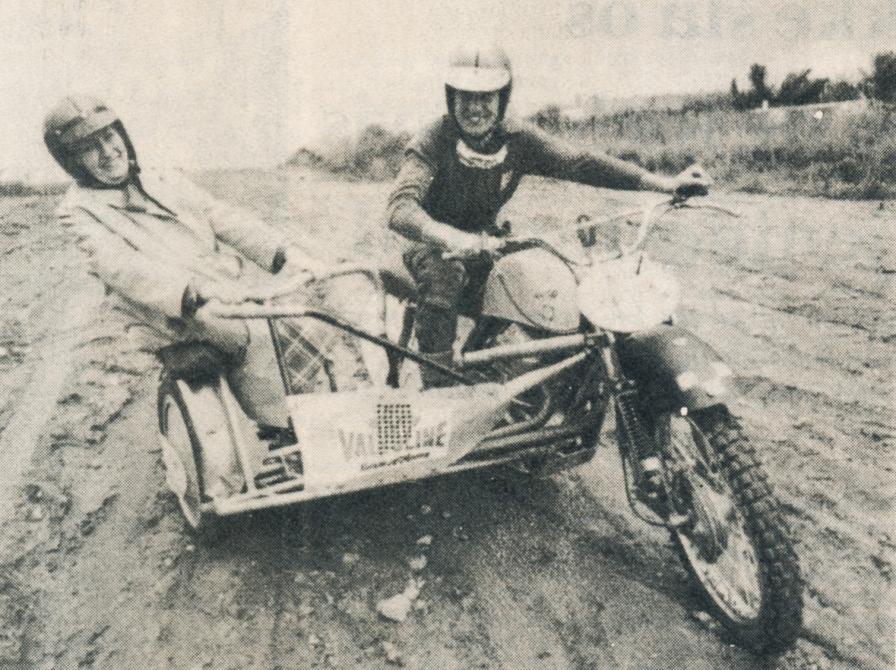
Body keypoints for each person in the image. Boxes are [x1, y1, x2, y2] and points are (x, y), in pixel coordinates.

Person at [387, 45, 711, 387]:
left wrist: (663, 184)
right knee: (444, 274)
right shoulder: (434, 140)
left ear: (503, 97)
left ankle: (550, 382)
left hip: (486, 238)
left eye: (486, 96)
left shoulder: (517, 139)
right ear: (450, 97)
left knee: (546, 282)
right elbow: (400, 207)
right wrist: (451, 237)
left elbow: (579, 162)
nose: (475, 108)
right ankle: (439, 389)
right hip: (429, 242)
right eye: (465, 96)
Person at [44, 95, 327, 429]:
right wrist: (197, 290)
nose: (107, 152)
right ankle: (289, 429)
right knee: (255, 331)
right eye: (90, 148)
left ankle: (318, 407)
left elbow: (219, 216)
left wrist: (286, 254)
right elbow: (118, 265)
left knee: (311, 319)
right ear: (73, 162)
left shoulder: (164, 177)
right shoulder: (77, 210)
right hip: (168, 312)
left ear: (122, 135)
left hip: (220, 292)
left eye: (109, 137)